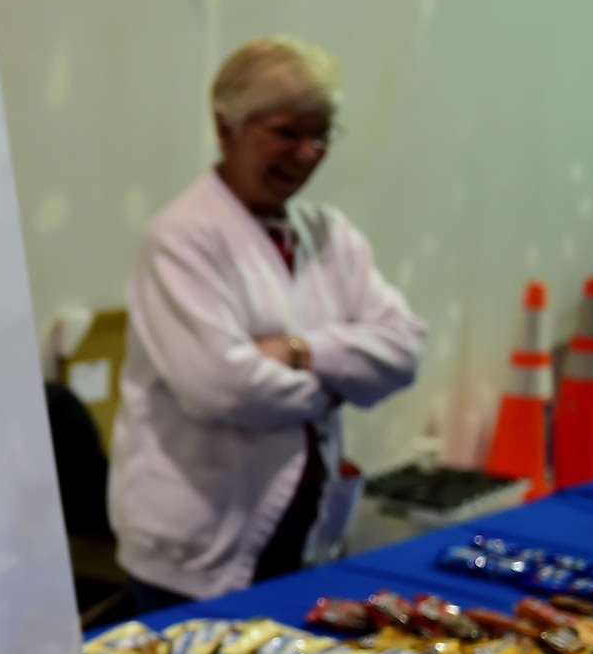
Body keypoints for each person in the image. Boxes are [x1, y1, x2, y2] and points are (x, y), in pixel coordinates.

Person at [108, 37, 427, 612]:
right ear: (225, 127)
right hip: (194, 550)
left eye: (321, 134)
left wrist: (300, 351)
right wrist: (343, 380)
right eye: (286, 132)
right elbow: (222, 387)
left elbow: (405, 350)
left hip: (302, 536)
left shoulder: (331, 234)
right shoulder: (182, 237)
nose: (307, 153)